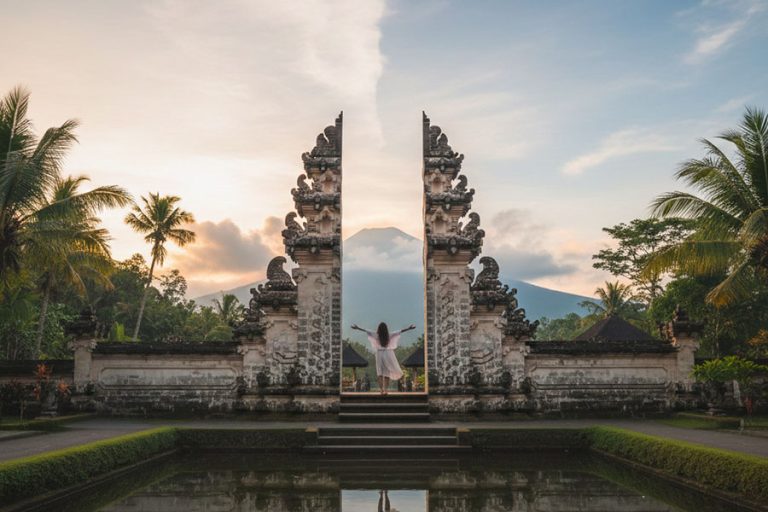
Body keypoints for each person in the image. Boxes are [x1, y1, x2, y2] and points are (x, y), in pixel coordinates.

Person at [351, 322, 416, 395]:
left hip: (379, 354)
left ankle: (381, 390)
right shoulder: (389, 335)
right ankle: (385, 390)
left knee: (380, 373)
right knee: (386, 374)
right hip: (387, 353)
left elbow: (366, 330)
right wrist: (409, 328)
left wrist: (357, 328)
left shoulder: (376, 335)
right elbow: (400, 331)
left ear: (378, 329)